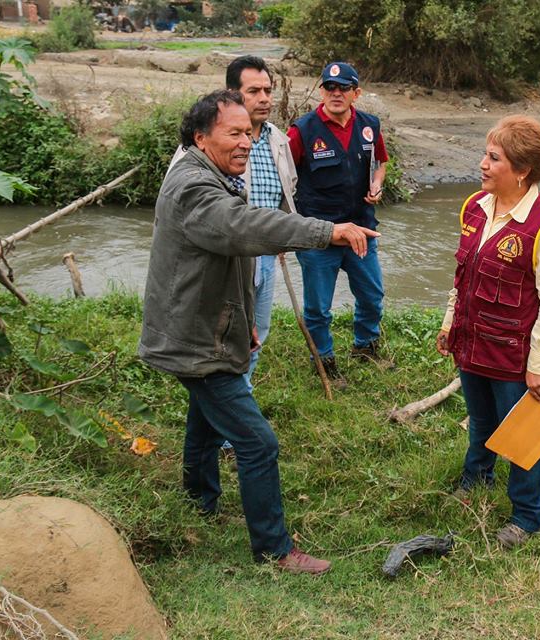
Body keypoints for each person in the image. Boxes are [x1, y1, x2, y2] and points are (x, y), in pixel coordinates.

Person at [139, 90, 377, 574]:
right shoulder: (192, 187)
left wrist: (244, 321)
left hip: (207, 328)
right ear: (201, 138)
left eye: (249, 133)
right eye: (234, 133)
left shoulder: (216, 176)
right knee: (257, 442)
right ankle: (273, 549)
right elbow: (241, 229)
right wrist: (325, 231)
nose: (247, 142)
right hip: (192, 339)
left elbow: (228, 259)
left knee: (205, 422)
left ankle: (198, 502)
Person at [436, 115, 540, 549]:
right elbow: (463, 276)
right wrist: (449, 324)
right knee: (480, 420)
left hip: (514, 354)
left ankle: (528, 514)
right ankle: (476, 479)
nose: (482, 164)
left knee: (522, 437)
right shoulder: (475, 207)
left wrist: (539, 368)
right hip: (473, 340)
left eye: (494, 158)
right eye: (485, 154)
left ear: (522, 171)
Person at [168, 55, 296, 394]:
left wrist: (280, 236)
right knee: (223, 336)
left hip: (264, 256)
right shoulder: (201, 148)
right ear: (231, 93)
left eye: (268, 90)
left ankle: (239, 396)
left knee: (256, 333)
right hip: (224, 258)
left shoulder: (277, 140)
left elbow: (288, 188)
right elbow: (181, 205)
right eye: (253, 90)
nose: (265, 98)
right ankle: (233, 411)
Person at [286, 61, 390, 384]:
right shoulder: (301, 131)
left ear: (355, 93)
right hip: (319, 235)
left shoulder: (370, 125)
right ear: (321, 91)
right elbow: (284, 179)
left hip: (361, 229)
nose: (335, 93)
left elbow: (381, 162)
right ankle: (325, 363)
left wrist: (377, 184)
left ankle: (366, 346)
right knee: (318, 309)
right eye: (329, 87)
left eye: (343, 88)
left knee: (372, 296)